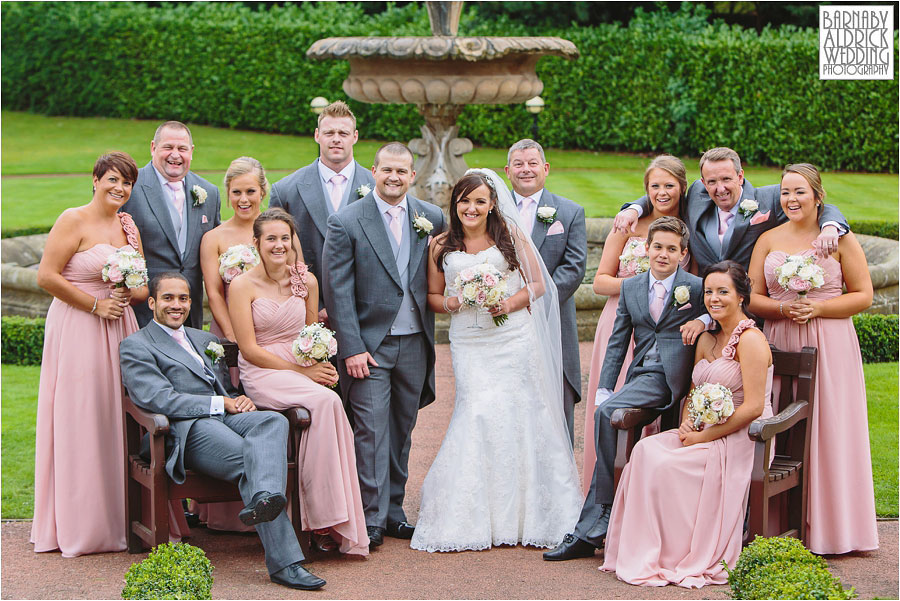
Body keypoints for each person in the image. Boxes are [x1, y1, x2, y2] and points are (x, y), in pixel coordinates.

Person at [411, 170, 582, 552]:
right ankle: (474, 516)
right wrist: (457, 301)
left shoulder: (510, 236)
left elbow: (538, 284)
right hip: (470, 341)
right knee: (476, 411)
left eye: (479, 201)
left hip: (512, 338)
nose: (471, 208)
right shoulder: (440, 245)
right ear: (455, 204)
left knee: (522, 411)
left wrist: (507, 303)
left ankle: (530, 515)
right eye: (465, 201)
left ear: (492, 205)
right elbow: (433, 297)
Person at [120, 273, 325, 590]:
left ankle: (263, 498)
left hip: (223, 416)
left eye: (183, 298)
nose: (177, 305)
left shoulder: (202, 339)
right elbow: (157, 398)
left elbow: (225, 388)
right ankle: (286, 564)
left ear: (191, 302)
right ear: (151, 303)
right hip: (183, 429)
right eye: (168, 298)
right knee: (250, 459)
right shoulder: (136, 345)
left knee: (273, 421)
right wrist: (219, 403)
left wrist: (239, 399)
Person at [602, 261, 773, 588]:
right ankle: (647, 549)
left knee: (667, 464)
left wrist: (705, 437)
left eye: (723, 291)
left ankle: (675, 553)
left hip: (743, 437)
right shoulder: (707, 340)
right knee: (645, 450)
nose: (714, 298)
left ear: (741, 296)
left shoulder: (751, 340)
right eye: (708, 292)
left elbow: (753, 407)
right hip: (703, 431)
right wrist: (686, 426)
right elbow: (694, 394)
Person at [544, 216, 705, 561]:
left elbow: (722, 311)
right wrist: (604, 388)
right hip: (642, 376)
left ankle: (600, 513)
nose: (663, 254)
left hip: (673, 378)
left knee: (606, 415)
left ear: (683, 253)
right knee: (606, 410)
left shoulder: (696, 287)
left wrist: (702, 320)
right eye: (657, 247)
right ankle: (601, 514)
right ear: (647, 248)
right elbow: (617, 343)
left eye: (671, 249)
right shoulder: (631, 287)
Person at [748, 163, 877, 555]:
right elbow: (751, 297)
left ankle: (834, 530)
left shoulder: (839, 239)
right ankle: (778, 524)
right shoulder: (767, 239)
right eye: (785, 192)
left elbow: (864, 295)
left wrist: (818, 309)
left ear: (818, 196)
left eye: (800, 191)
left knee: (830, 427)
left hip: (830, 342)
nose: (791, 199)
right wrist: (783, 309)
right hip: (779, 338)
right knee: (782, 425)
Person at [322, 142, 446, 548]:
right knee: (371, 433)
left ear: (413, 176)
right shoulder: (346, 221)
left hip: (415, 343)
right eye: (387, 170)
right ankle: (370, 517)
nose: (394, 177)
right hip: (369, 347)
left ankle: (394, 512)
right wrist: (351, 348)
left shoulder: (431, 217)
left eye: (401, 171)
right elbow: (337, 291)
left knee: (401, 431)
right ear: (373, 171)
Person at [227, 209, 368, 556]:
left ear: (293, 242)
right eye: (271, 239)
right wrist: (304, 374)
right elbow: (249, 349)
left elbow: (310, 335)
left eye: (285, 238)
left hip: (298, 366)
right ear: (256, 243)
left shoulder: (307, 282)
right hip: (262, 370)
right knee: (327, 401)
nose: (279, 245)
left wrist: (319, 364)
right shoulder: (242, 285)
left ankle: (327, 516)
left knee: (328, 402)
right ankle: (321, 516)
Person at [31, 152, 146, 557]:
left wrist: (126, 289)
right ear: (95, 180)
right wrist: (96, 305)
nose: (120, 188)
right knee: (82, 414)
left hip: (120, 326)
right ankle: (84, 523)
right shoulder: (72, 219)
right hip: (80, 326)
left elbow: (142, 289)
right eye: (113, 179)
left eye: (126, 183)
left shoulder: (127, 225)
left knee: (120, 413)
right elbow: (46, 276)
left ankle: (124, 517)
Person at [582, 155, 703, 491]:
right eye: (654, 186)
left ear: (682, 187)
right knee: (613, 405)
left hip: (669, 332)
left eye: (669, 185)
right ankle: (607, 488)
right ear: (645, 189)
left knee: (653, 405)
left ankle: (645, 490)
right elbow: (600, 281)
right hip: (621, 319)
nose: (662, 192)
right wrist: (645, 286)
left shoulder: (689, 228)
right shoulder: (627, 224)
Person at [194, 157, 273, 532]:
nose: (244, 199)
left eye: (251, 191)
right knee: (231, 410)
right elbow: (213, 291)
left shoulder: (276, 229)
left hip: (270, 334)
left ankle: (271, 497)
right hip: (227, 336)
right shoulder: (214, 238)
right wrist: (233, 339)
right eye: (237, 192)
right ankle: (224, 512)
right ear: (227, 194)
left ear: (263, 191)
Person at [612, 147, 849, 271]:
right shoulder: (697, 194)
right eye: (712, 182)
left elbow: (818, 202)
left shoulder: (768, 198)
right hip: (702, 304)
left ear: (740, 176)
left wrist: (829, 227)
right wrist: (634, 209)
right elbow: (665, 195)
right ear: (703, 182)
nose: (720, 188)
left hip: (751, 305)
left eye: (727, 179)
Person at [505, 139, 586, 444]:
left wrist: (534, 300)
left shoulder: (570, 212)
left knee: (556, 402)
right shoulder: (491, 210)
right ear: (507, 171)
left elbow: (574, 268)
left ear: (546, 168)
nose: (525, 169)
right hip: (506, 320)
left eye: (532, 163)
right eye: (518, 164)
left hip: (554, 319)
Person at [270, 100, 375, 318]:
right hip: (304, 310)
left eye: (343, 133)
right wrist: (312, 305)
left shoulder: (377, 188)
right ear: (317, 135)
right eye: (329, 133)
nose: (336, 139)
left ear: (355, 137)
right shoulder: (285, 191)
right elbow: (277, 256)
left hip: (365, 311)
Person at [121, 121, 221, 329]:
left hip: (189, 311)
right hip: (144, 311)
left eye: (182, 149)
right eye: (168, 147)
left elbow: (215, 250)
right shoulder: (130, 187)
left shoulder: (209, 192)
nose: (175, 155)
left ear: (191, 151)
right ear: (153, 147)